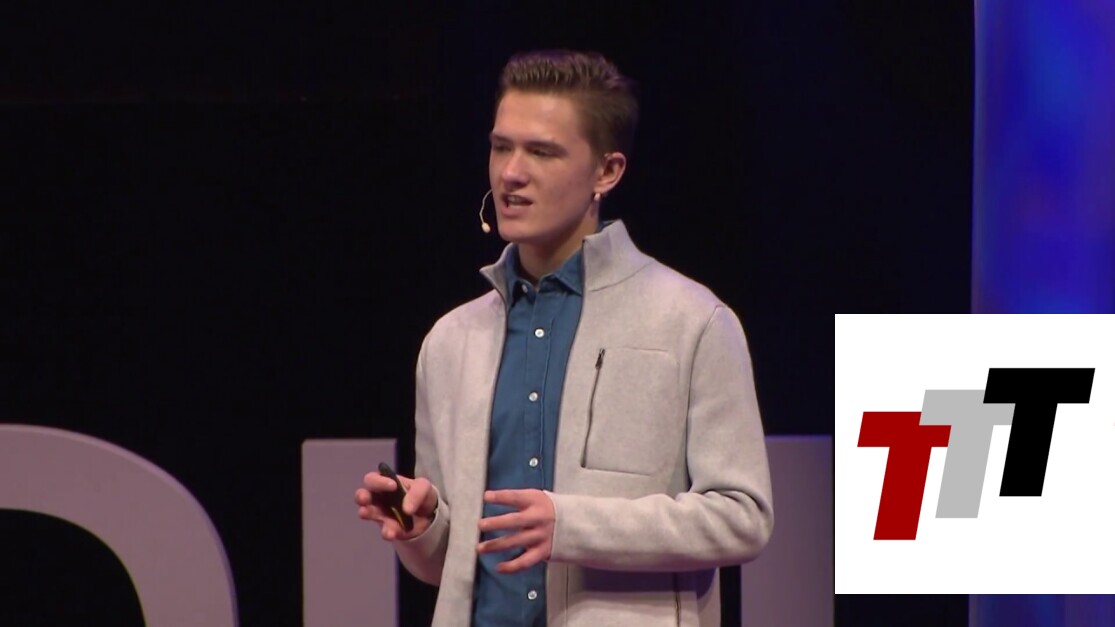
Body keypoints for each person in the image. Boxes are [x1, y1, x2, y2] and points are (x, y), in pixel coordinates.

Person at [355, 49, 773, 627]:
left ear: (607, 172)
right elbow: (450, 563)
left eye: (542, 152)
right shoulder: (451, 342)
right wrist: (422, 527)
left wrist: (571, 526)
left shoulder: (691, 320)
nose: (511, 173)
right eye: (501, 147)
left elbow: (741, 516)